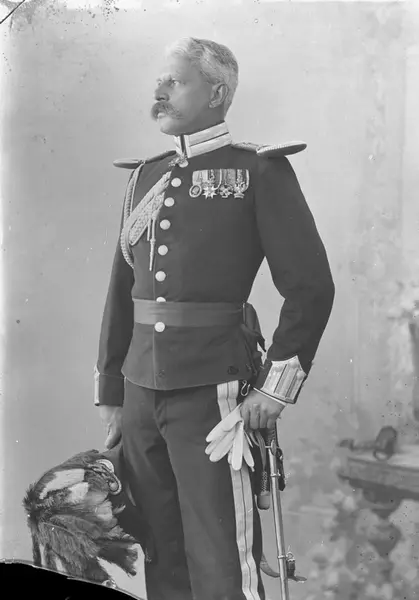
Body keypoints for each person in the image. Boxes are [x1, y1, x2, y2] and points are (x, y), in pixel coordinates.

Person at [94, 37, 335, 600]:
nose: (159, 92)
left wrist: (275, 389)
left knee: (223, 555)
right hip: (140, 390)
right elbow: (122, 293)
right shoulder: (143, 177)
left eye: (175, 82)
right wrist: (111, 391)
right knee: (161, 548)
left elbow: (310, 287)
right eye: (159, 81)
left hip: (212, 392)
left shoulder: (259, 170)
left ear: (217, 93)